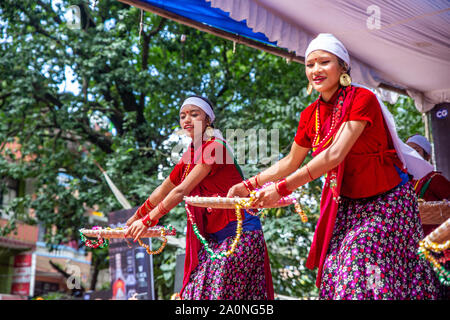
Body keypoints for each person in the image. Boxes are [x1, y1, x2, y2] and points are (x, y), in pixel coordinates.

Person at [227, 33, 440, 299]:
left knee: (360, 263)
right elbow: (291, 161)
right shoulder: (310, 115)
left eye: (324, 62)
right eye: (310, 64)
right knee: (334, 272)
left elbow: (334, 154)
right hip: (348, 207)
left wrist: (280, 189)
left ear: (343, 67)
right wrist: (247, 185)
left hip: (387, 202)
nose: (315, 70)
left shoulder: (362, 99)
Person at [125, 95, 274, 300]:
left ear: (207, 120)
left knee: (214, 294)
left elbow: (180, 191)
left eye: (194, 114)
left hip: (240, 235)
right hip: (214, 241)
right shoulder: (189, 156)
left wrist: (149, 220)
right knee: (194, 294)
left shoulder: (215, 147)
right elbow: (164, 189)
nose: (187, 119)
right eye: (183, 115)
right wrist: (135, 218)